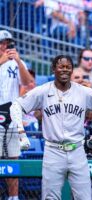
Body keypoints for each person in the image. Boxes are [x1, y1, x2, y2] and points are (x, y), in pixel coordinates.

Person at [9, 55, 92, 200]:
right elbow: (16, 106)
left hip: (78, 150)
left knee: (84, 197)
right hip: (53, 151)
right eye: (61, 67)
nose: (65, 70)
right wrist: (22, 133)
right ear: (54, 69)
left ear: (72, 70)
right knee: (50, 198)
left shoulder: (83, 91)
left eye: (68, 67)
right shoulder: (43, 91)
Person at [0, 29, 34, 200]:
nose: (6, 46)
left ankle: (14, 197)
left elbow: (28, 82)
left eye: (8, 43)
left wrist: (19, 61)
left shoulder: (15, 62)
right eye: (3, 43)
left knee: (12, 157)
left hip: (11, 114)